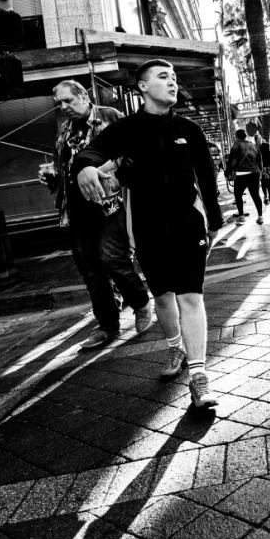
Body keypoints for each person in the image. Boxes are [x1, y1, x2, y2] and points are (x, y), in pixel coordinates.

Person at [72, 60, 225, 409]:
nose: (173, 83)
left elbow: (208, 180)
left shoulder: (191, 129)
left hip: (188, 224)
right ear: (142, 87)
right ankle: (175, 348)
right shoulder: (127, 129)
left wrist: (214, 222)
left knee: (191, 297)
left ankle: (199, 376)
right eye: (163, 77)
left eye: (174, 78)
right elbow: (91, 153)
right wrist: (84, 168)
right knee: (164, 296)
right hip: (146, 227)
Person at [41, 80, 153, 351]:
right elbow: (66, 171)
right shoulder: (64, 131)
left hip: (109, 203)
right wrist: (53, 178)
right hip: (77, 209)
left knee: (111, 257)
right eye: (59, 104)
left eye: (68, 100)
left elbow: (135, 152)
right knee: (90, 270)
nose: (63, 107)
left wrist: (108, 172)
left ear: (83, 95)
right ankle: (108, 326)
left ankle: (140, 303)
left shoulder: (110, 117)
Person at [226, 129, 265, 225]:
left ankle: (241, 216)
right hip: (254, 173)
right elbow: (259, 161)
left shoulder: (236, 145)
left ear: (237, 137)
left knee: (238, 195)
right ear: (245, 136)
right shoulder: (254, 146)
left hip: (241, 174)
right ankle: (260, 216)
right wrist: (259, 170)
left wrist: (228, 172)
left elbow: (233, 161)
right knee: (256, 195)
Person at [258, 136, 270, 204]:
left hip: (262, 168)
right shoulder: (269, 146)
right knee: (269, 182)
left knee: (263, 182)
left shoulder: (258, 148)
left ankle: (265, 196)